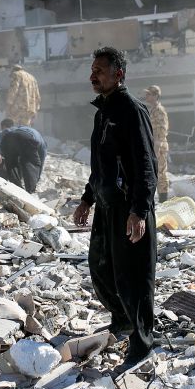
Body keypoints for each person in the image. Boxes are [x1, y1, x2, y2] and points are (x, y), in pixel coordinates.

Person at [72, 47, 158, 371]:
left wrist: (140, 210)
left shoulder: (132, 110)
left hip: (129, 210)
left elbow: (147, 165)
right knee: (101, 269)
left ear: (118, 74)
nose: (93, 76)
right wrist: (86, 199)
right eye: (92, 70)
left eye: (100, 70)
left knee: (134, 280)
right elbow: (100, 166)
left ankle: (142, 344)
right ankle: (123, 322)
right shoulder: (102, 113)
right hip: (107, 209)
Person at [0, 119, 47, 193]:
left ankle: (16, 190)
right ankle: (30, 192)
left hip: (8, 138)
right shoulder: (42, 145)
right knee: (31, 164)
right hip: (26, 138)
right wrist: (37, 177)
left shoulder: (16, 128)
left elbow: (5, 132)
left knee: (11, 165)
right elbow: (40, 162)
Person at [142, 85, 170, 202]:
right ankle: (158, 198)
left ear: (155, 96)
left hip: (158, 144)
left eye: (149, 94)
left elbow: (162, 129)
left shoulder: (159, 110)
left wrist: (157, 145)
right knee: (154, 171)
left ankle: (164, 200)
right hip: (154, 144)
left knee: (161, 172)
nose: (146, 96)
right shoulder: (153, 109)